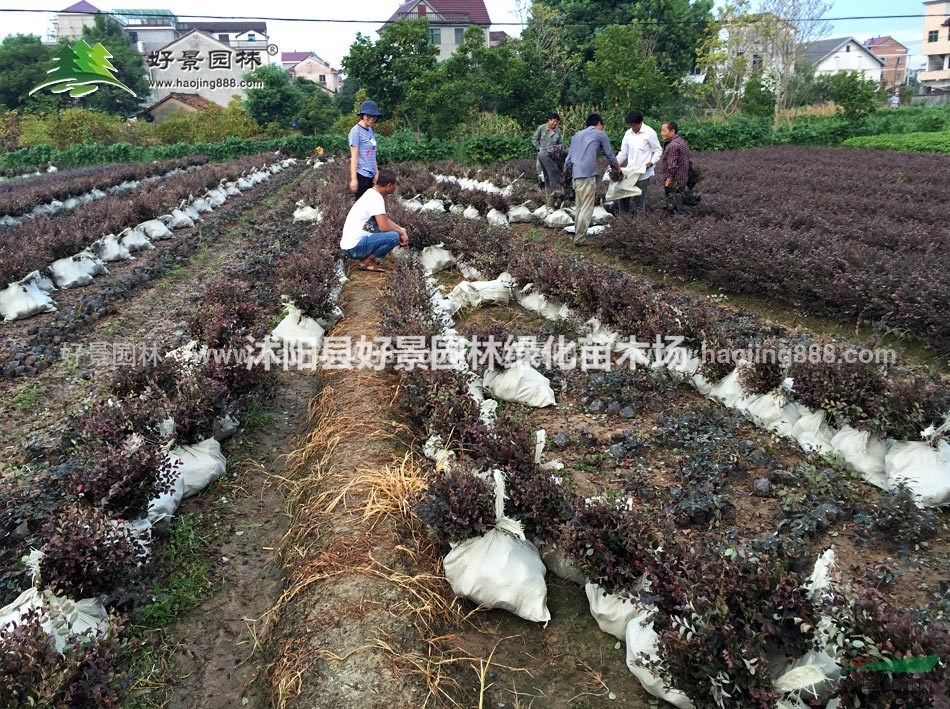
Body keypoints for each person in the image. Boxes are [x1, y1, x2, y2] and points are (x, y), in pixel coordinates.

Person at [564, 113, 619, 246]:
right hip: (587, 174)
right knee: (587, 208)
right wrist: (618, 169)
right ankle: (580, 238)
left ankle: (577, 234)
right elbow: (610, 155)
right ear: (599, 123)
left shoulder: (576, 135)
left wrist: (566, 177)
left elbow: (568, 160)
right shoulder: (600, 134)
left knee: (579, 206)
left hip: (576, 174)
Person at [340, 169, 408, 272]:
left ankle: (368, 260)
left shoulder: (371, 193)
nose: (395, 187)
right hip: (354, 249)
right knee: (394, 237)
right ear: (389, 185)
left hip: (350, 246)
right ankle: (366, 262)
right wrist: (400, 233)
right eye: (395, 185)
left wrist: (401, 230)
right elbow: (384, 227)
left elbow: (384, 220)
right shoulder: (376, 198)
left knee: (394, 232)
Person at [616, 110, 662, 215]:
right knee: (623, 197)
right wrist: (615, 163)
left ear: (640, 122)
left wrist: (652, 162)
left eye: (635, 125)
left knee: (639, 200)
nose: (633, 127)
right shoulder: (628, 134)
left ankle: (639, 224)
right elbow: (623, 152)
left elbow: (658, 150)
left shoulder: (649, 133)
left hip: (643, 173)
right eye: (631, 125)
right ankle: (623, 221)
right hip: (630, 171)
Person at [348, 100, 382, 200]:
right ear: (362, 115)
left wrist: (376, 173)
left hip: (371, 175)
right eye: (368, 116)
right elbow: (354, 156)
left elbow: (372, 154)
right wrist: (354, 179)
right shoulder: (355, 131)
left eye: (374, 116)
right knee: (362, 209)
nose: (372, 119)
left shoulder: (370, 130)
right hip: (361, 175)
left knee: (372, 207)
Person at [660, 120, 690, 215]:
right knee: (678, 202)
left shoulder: (673, 145)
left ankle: (679, 224)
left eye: (664, 131)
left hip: (674, 181)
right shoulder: (682, 142)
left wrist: (668, 180)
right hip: (682, 178)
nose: (662, 133)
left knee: (674, 207)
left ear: (672, 131)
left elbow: (672, 165)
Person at [532, 112, 563, 190]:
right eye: (554, 121)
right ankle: (542, 189)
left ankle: (550, 189)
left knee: (551, 173)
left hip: (552, 156)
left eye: (557, 122)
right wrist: (539, 148)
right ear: (549, 120)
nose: (555, 124)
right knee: (540, 172)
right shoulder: (541, 128)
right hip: (541, 155)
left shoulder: (558, 131)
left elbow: (560, 144)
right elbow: (534, 139)